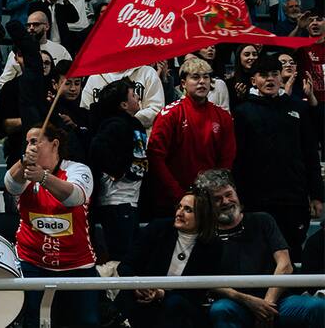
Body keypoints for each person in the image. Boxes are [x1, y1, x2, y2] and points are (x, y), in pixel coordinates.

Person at [195, 169, 325, 328]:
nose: (226, 201)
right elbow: (209, 280)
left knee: (317, 307)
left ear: (236, 192)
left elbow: (285, 265)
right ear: (207, 204)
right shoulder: (205, 235)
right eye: (217, 199)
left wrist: (266, 305)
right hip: (235, 303)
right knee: (220, 310)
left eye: (229, 194)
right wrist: (249, 301)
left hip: (277, 301)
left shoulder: (263, 220)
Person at [231, 53, 323, 263]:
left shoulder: (298, 108)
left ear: (281, 77)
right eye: (263, 75)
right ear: (254, 80)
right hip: (256, 199)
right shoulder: (242, 112)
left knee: (294, 252)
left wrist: (317, 195)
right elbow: (238, 160)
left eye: (274, 74)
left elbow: (310, 154)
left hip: (294, 198)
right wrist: (239, 198)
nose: (270, 79)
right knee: (258, 255)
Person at [4, 124, 98, 328]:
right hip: (32, 263)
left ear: (54, 144)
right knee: (33, 322)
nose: (30, 147)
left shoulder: (77, 169)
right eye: (27, 143)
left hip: (76, 265)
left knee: (85, 322)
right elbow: (10, 185)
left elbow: (75, 197)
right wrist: (22, 162)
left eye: (35, 141)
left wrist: (44, 177)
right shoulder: (24, 171)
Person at [116, 190, 221, 328]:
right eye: (179, 207)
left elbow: (196, 293)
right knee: (129, 300)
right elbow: (125, 265)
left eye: (188, 210)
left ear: (203, 216)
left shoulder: (212, 246)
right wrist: (137, 284)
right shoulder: (158, 228)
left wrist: (161, 294)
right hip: (142, 296)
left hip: (180, 307)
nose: (179, 213)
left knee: (174, 303)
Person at [146, 58, 237, 214]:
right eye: (195, 77)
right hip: (173, 200)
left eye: (206, 77)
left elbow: (227, 158)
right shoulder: (170, 114)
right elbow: (155, 157)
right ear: (183, 83)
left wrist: (215, 190)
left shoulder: (223, 116)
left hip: (210, 197)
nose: (202, 82)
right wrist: (178, 193)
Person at [87, 79, 147, 264]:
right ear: (123, 104)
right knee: (121, 256)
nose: (138, 97)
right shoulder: (115, 124)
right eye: (133, 95)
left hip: (131, 198)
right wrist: (118, 171)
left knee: (131, 254)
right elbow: (97, 148)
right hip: (116, 200)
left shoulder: (133, 123)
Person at [0, 10, 72, 88]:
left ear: (47, 26)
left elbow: (71, 75)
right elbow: (4, 81)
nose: (31, 28)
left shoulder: (60, 50)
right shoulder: (18, 51)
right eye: (28, 25)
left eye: (36, 24)